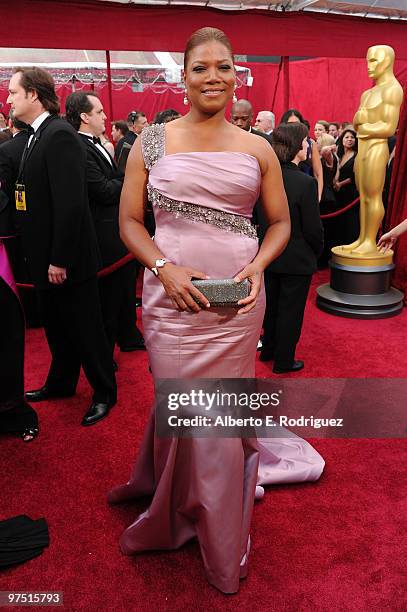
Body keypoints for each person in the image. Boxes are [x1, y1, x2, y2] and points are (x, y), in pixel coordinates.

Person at [108, 27, 324, 594]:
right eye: (200, 67)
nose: (213, 77)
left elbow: (279, 223)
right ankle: (172, 501)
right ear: (183, 76)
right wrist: (163, 268)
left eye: (223, 67)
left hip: (237, 305)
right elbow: (130, 222)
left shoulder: (257, 147)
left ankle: (221, 531)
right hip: (170, 300)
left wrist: (256, 267)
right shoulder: (149, 143)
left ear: (236, 75)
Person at [7, 67, 116, 426]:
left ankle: (105, 392)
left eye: (13, 93)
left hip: (66, 259)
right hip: (44, 257)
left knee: (86, 327)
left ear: (33, 95)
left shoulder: (59, 135)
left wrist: (59, 259)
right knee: (57, 327)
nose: (8, 99)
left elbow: (71, 204)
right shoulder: (38, 135)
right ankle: (61, 383)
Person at [65, 91, 145, 361]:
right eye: (99, 112)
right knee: (107, 300)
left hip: (115, 234)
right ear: (85, 116)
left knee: (122, 292)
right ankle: (105, 354)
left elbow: (110, 181)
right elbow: (102, 189)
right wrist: (132, 181)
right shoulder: (77, 146)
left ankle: (128, 337)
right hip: (101, 235)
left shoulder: (98, 143)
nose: (105, 116)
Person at [259, 123, 323, 370]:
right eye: (306, 141)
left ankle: (269, 352)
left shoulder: (265, 178)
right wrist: (315, 252)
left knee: (272, 306)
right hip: (297, 258)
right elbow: (313, 229)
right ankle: (284, 361)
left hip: (268, 254)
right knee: (291, 311)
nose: (309, 145)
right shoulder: (305, 183)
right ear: (297, 146)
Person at [341, 45, 403, 255]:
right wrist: (363, 125)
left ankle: (369, 240)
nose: (369, 66)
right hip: (364, 147)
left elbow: (387, 127)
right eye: (368, 60)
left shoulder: (392, 89)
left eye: (374, 60)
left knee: (373, 195)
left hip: (376, 147)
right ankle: (362, 239)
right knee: (364, 195)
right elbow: (356, 124)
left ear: (386, 61)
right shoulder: (368, 93)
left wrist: (363, 125)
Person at [280, 109, 323, 201]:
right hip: (284, 190)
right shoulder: (279, 143)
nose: (294, 127)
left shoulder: (310, 143)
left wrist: (318, 196)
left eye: (297, 124)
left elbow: (318, 173)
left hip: (305, 190)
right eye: (290, 124)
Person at [334, 128, 359, 244]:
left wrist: (340, 184)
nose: (349, 139)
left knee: (350, 221)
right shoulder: (338, 154)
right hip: (337, 193)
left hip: (351, 193)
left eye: (352, 137)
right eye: (347, 137)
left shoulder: (357, 156)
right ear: (342, 139)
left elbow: (356, 176)